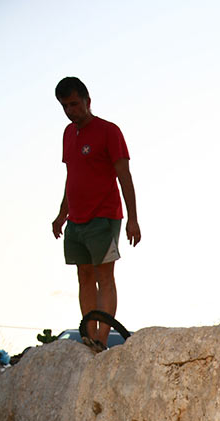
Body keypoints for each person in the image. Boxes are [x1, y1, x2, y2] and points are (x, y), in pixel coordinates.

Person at [51, 77, 141, 350]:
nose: (70, 111)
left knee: (104, 275)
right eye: (65, 106)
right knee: (84, 276)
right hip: (76, 219)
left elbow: (124, 175)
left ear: (88, 102)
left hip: (104, 215)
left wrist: (133, 218)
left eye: (75, 104)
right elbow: (72, 177)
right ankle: (88, 336)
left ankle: (102, 338)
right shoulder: (68, 134)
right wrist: (61, 214)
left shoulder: (108, 131)